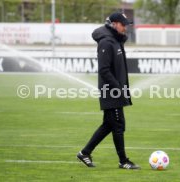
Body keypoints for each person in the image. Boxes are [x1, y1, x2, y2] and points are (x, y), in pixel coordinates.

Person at [76, 12, 140, 170]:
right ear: (115, 24)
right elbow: (104, 70)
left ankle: (84, 153)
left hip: (116, 90)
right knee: (118, 125)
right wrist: (117, 88)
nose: (126, 27)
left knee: (109, 124)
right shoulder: (106, 42)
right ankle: (123, 161)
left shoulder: (116, 40)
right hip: (111, 91)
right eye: (123, 24)